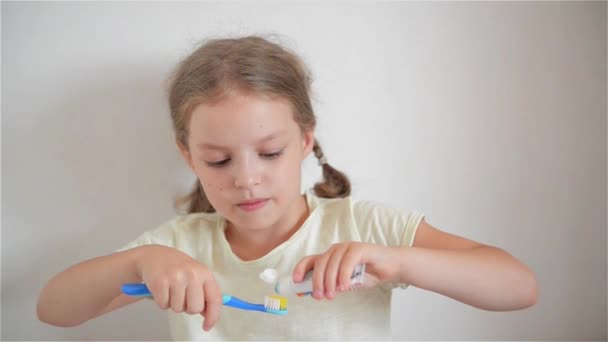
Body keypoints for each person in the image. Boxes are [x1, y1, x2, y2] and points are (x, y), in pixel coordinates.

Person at [37, 35, 538, 340]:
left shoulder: (366, 227)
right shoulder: (179, 247)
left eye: (270, 153)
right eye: (218, 159)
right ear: (188, 155)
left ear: (305, 140)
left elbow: (519, 287)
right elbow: (53, 310)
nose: (246, 178)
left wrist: (398, 261)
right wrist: (135, 263)